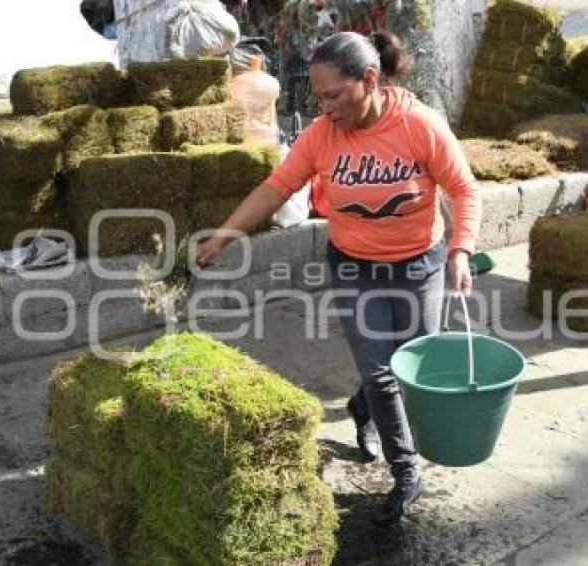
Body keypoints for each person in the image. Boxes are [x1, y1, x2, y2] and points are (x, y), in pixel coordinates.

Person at [196, 30, 482, 525]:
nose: (324, 107)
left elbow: (463, 188)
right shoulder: (323, 134)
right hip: (354, 268)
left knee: (411, 371)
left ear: (369, 80)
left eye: (333, 95)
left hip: (420, 266)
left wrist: (461, 250)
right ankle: (406, 470)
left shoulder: (419, 125)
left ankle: (362, 406)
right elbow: (275, 187)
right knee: (381, 373)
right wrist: (223, 237)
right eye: (318, 96)